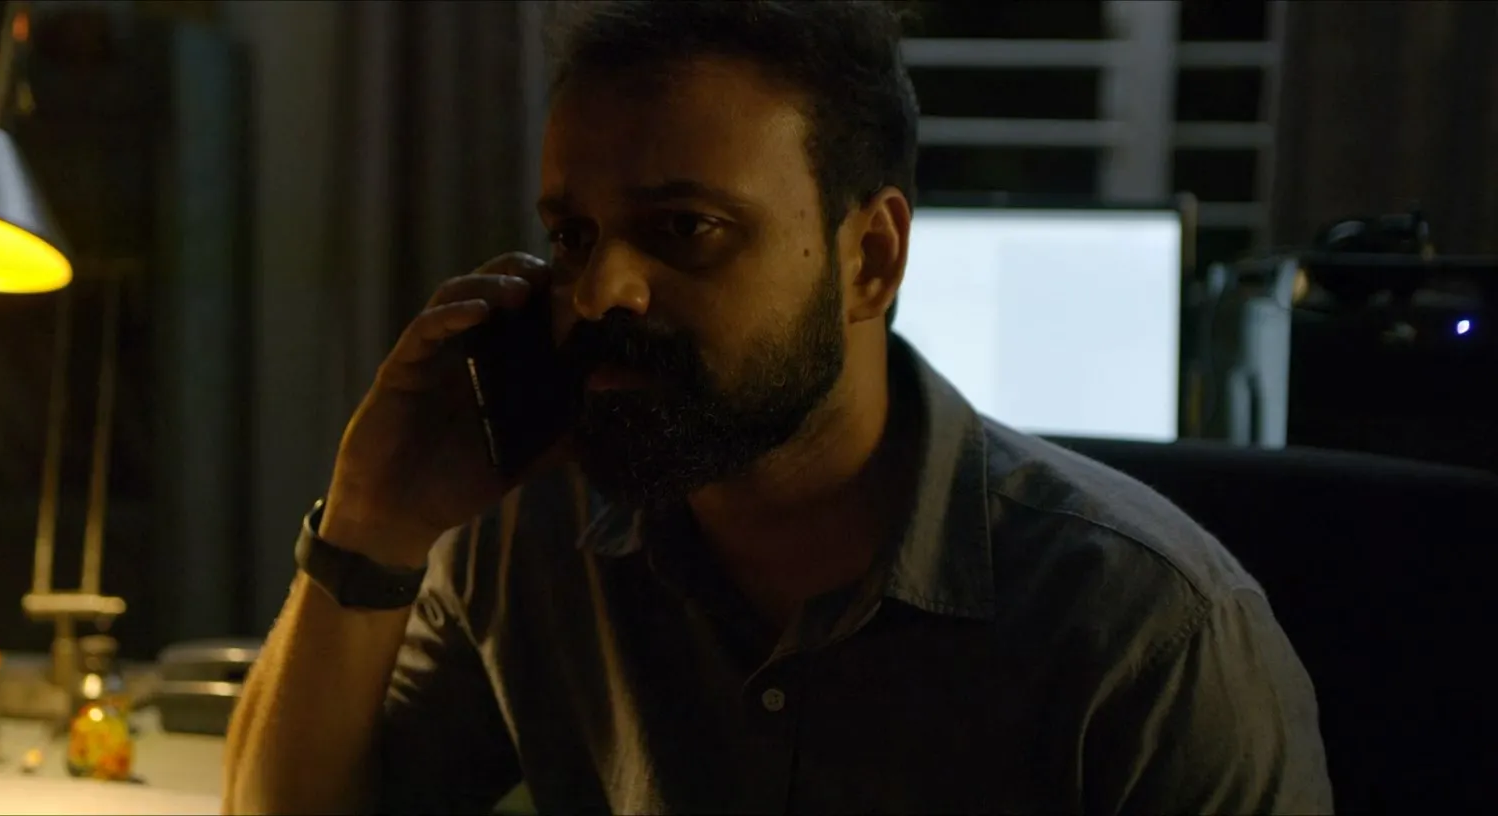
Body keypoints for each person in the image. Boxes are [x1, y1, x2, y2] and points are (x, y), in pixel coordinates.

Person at [221, 1, 1333, 813]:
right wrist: (371, 524)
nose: (601, 291)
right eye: (573, 235)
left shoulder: (1153, 641)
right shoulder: (528, 539)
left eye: (685, 228)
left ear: (870, 259)